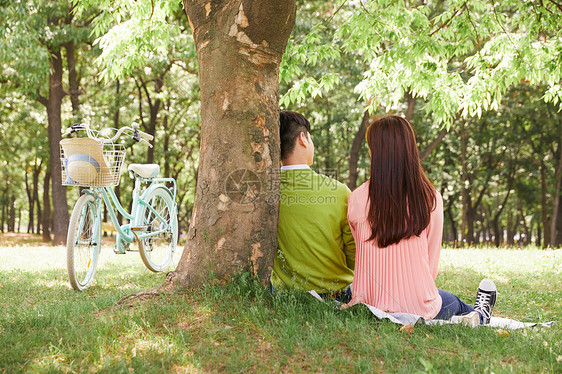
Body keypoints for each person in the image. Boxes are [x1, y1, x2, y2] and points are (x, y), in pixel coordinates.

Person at [346, 115, 496, 325]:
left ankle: (477, 313)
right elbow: (430, 267)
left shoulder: (356, 198)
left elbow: (361, 255)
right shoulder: (430, 198)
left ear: (375, 153)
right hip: (419, 308)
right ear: (410, 149)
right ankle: (481, 314)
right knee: (454, 302)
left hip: (368, 303)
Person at [270, 111, 356, 302]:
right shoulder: (339, 192)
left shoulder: (265, 193)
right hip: (337, 293)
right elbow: (354, 256)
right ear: (303, 139)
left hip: (286, 295)